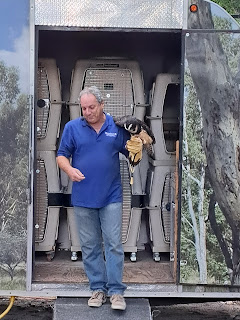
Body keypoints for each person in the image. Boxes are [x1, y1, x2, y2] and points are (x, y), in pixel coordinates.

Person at [57, 86, 142, 311]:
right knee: (90, 246)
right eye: (83, 108)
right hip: (83, 198)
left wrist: (138, 146)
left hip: (111, 197)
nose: (87, 112)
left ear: (102, 105)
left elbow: (133, 154)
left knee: (113, 244)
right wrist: (69, 170)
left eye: (91, 107)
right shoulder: (72, 128)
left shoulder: (116, 127)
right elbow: (61, 156)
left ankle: (116, 292)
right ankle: (97, 289)